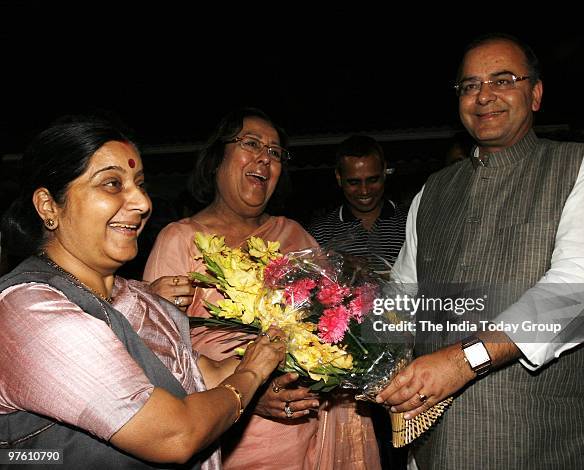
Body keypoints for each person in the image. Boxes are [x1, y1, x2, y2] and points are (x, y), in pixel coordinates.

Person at [378, 33, 584, 469]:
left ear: (536, 94)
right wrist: (352, 343)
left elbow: (578, 291)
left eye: (502, 80)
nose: (483, 96)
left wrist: (466, 359)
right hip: (436, 445)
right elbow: (401, 294)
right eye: (469, 85)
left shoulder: (580, 165)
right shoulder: (434, 191)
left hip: (543, 443)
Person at [0, 115, 287, 469]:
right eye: (111, 184)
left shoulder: (137, 296)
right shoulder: (29, 313)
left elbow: (203, 375)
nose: (142, 203)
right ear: (48, 206)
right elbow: (175, 435)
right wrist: (253, 373)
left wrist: (295, 344)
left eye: (139, 184)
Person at [143, 108, 381, 469]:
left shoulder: (294, 236)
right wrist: (249, 393)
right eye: (251, 144)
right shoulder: (180, 240)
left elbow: (335, 329)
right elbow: (155, 360)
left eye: (274, 152)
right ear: (216, 160)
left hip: (304, 429)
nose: (264, 158)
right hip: (226, 433)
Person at [308, 135, 408, 275]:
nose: (364, 190)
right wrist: (336, 270)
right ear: (339, 177)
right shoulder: (320, 233)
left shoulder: (412, 223)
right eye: (354, 182)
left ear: (384, 171)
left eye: (373, 180)